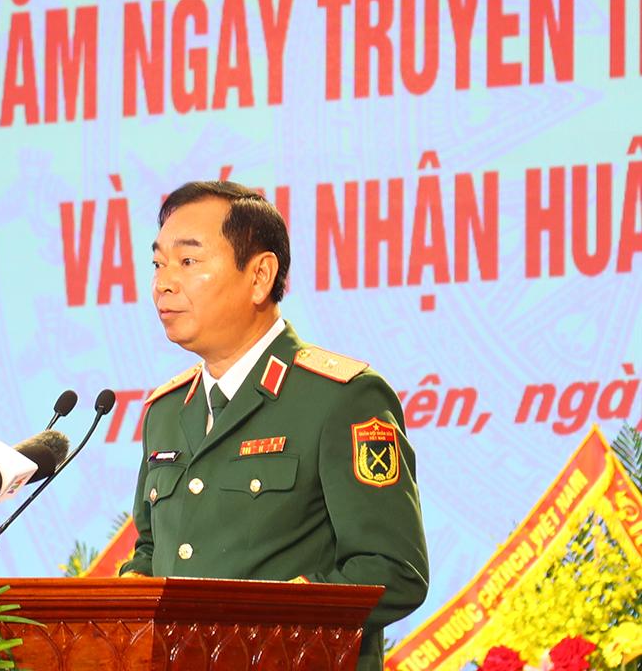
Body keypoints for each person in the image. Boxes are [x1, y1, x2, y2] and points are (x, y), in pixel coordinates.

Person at [119, 180, 428, 671]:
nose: (163, 283)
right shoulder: (167, 410)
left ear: (260, 276)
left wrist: (266, 623)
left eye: (188, 261)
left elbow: (393, 570)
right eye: (158, 264)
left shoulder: (342, 398)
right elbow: (152, 550)